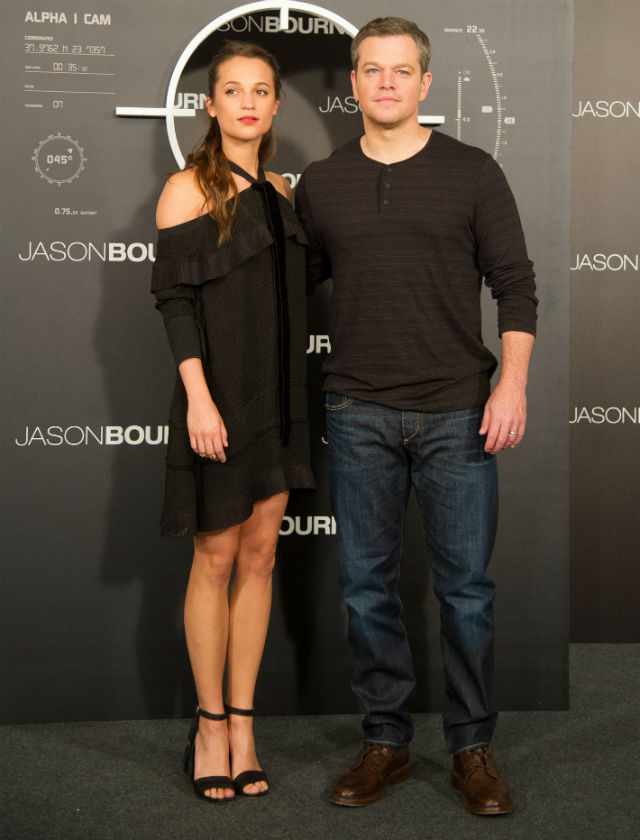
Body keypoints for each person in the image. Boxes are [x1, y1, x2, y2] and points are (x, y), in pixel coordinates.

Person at [295, 17, 537, 815]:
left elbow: (516, 284)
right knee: (366, 589)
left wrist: (511, 386)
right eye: (373, 70)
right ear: (354, 84)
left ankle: (471, 749)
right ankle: (386, 743)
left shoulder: (473, 171)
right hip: (356, 410)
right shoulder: (321, 182)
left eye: (402, 70)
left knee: (466, 592)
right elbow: (288, 287)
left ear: (426, 83)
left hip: (457, 414)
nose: (387, 82)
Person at [151, 41, 314, 803]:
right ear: (210, 105)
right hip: (217, 399)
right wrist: (200, 398)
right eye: (232, 90)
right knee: (214, 562)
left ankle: (244, 726)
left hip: (279, 402)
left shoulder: (281, 190)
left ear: (275, 106)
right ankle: (210, 727)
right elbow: (175, 303)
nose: (247, 102)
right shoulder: (187, 188)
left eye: (260, 90)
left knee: (260, 559)